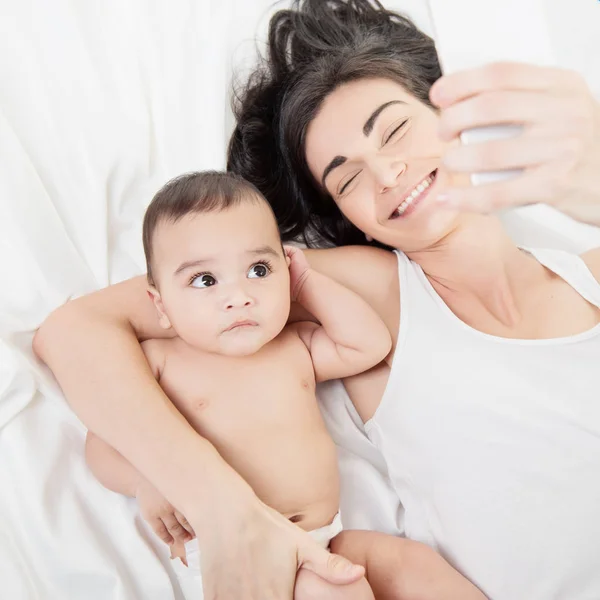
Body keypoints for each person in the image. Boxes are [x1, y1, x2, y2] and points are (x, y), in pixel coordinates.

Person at [33, 1, 600, 598]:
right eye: (347, 178)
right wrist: (223, 509)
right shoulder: (374, 291)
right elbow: (74, 330)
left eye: (396, 129)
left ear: (447, 112)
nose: (386, 174)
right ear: (346, 217)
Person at [85, 170, 486, 599]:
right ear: (160, 306)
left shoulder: (293, 347)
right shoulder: (161, 363)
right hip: (243, 557)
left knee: (415, 565)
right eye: (205, 280)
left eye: (259, 269)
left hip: (329, 537)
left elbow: (367, 344)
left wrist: (309, 285)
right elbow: (103, 442)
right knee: (335, 591)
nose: (239, 296)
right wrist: (149, 480)